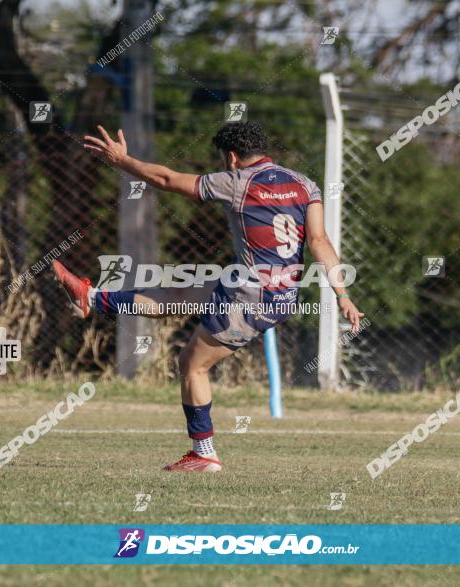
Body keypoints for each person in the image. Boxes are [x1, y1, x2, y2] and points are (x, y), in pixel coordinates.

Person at [53, 121, 363, 472]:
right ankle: (91, 298)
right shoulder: (304, 184)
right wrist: (342, 294)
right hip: (275, 292)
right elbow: (319, 241)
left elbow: (167, 180)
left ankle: (204, 453)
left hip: (249, 298)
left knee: (192, 365)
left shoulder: (237, 183)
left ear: (231, 157)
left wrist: (122, 161)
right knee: (176, 294)